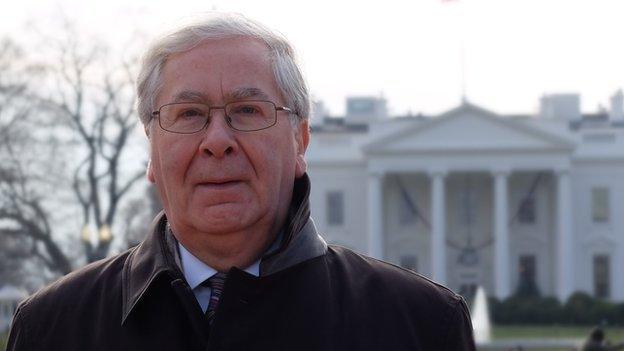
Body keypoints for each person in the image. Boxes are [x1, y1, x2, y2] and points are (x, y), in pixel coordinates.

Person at [7, 13, 476, 351]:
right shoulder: (52, 328)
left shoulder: (422, 325)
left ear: (300, 141)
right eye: (188, 114)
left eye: (247, 111)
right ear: (151, 150)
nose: (217, 141)